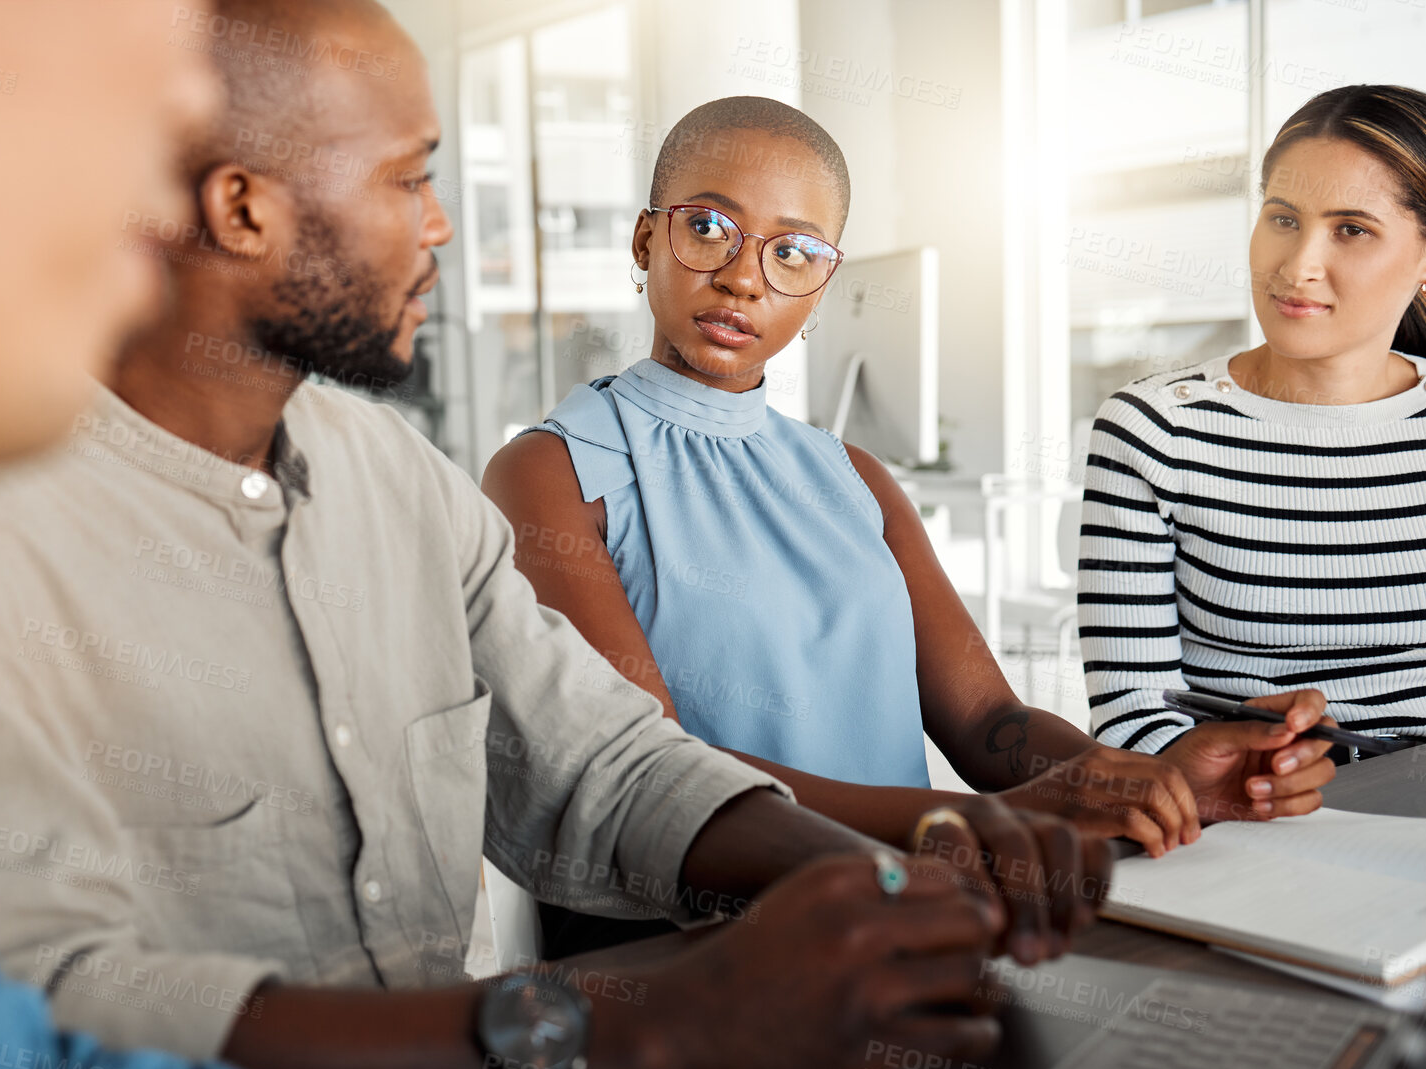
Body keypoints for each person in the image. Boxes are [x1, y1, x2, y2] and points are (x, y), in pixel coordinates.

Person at [0, 2, 1339, 1069]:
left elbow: (603, 761)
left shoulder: (386, 482)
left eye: (795, 251)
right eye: (408, 182)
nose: (442, 229)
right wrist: (624, 1031)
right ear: (245, 212)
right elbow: (37, 1045)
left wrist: (886, 864)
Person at [479, 96, 1337, 953]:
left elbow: (987, 723)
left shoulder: (852, 477)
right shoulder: (550, 473)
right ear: (644, 241)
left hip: (907, 932)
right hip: (699, 969)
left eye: (792, 252)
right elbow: (652, 779)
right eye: (707, 228)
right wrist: (975, 824)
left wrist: (1143, 783)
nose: (744, 277)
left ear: (821, 286)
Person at [1081, 84, 1426, 762]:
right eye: (1282, 219)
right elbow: (1130, 720)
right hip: (1250, 818)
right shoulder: (1151, 432)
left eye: (1351, 229)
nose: (1296, 267)